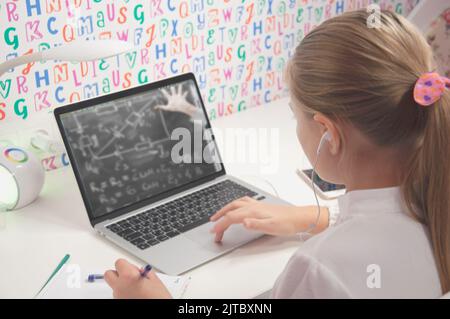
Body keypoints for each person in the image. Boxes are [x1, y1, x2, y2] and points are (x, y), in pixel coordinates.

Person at [103, 10, 450, 298]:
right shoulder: (436, 204)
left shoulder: (319, 268)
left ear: (328, 134)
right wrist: (313, 219)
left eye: (295, 116)